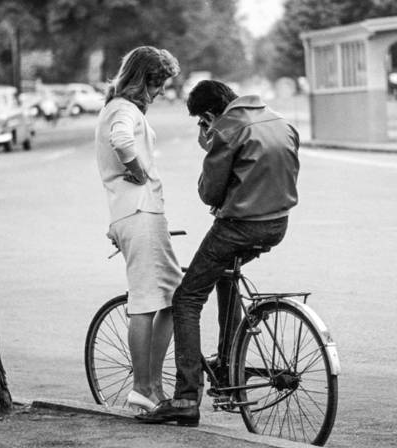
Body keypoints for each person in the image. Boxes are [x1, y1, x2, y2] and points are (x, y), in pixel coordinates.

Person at [136, 80, 300, 427]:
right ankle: (227, 366)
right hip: (277, 224)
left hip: (239, 227)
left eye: (203, 121)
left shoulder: (226, 130)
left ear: (209, 116)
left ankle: (185, 397)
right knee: (224, 276)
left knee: (187, 299)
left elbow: (209, 193)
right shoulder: (279, 120)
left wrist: (208, 145)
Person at [94, 46, 182, 413]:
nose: (160, 92)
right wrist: (138, 171)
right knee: (147, 300)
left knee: (173, 296)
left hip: (138, 213)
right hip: (139, 211)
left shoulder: (119, 108)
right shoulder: (124, 109)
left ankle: (153, 384)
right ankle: (144, 387)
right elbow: (122, 141)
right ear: (142, 80)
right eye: (157, 84)